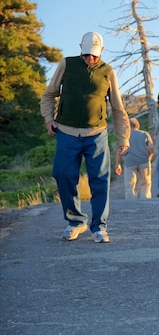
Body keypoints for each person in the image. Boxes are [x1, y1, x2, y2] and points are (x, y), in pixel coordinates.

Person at [40, 31, 130, 243]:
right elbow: (48, 95)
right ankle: (75, 221)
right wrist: (48, 119)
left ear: (102, 52)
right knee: (62, 174)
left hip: (96, 134)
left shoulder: (108, 72)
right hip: (66, 132)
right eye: (87, 54)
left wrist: (123, 138)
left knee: (99, 180)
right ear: (80, 48)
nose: (90, 59)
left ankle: (99, 226)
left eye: (95, 55)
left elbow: (118, 109)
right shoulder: (66, 65)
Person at [116, 118, 153, 199]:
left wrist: (117, 164)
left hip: (130, 161)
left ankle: (131, 201)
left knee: (130, 184)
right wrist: (149, 157)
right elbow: (151, 147)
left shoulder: (125, 136)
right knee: (146, 183)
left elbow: (120, 151)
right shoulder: (144, 134)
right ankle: (145, 199)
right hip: (143, 161)